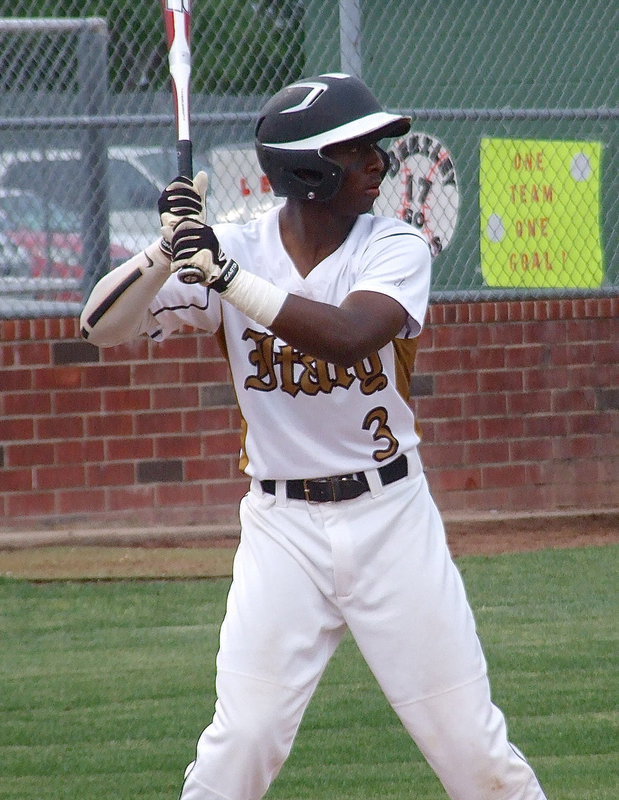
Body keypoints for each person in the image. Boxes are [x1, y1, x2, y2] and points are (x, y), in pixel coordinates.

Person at [80, 73, 548, 800]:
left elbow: (351, 336)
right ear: (309, 170)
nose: (380, 161)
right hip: (281, 531)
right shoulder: (228, 245)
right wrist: (163, 252)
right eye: (359, 149)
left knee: (474, 756)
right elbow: (97, 328)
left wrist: (227, 276)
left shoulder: (393, 245)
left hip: (389, 520)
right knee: (239, 750)